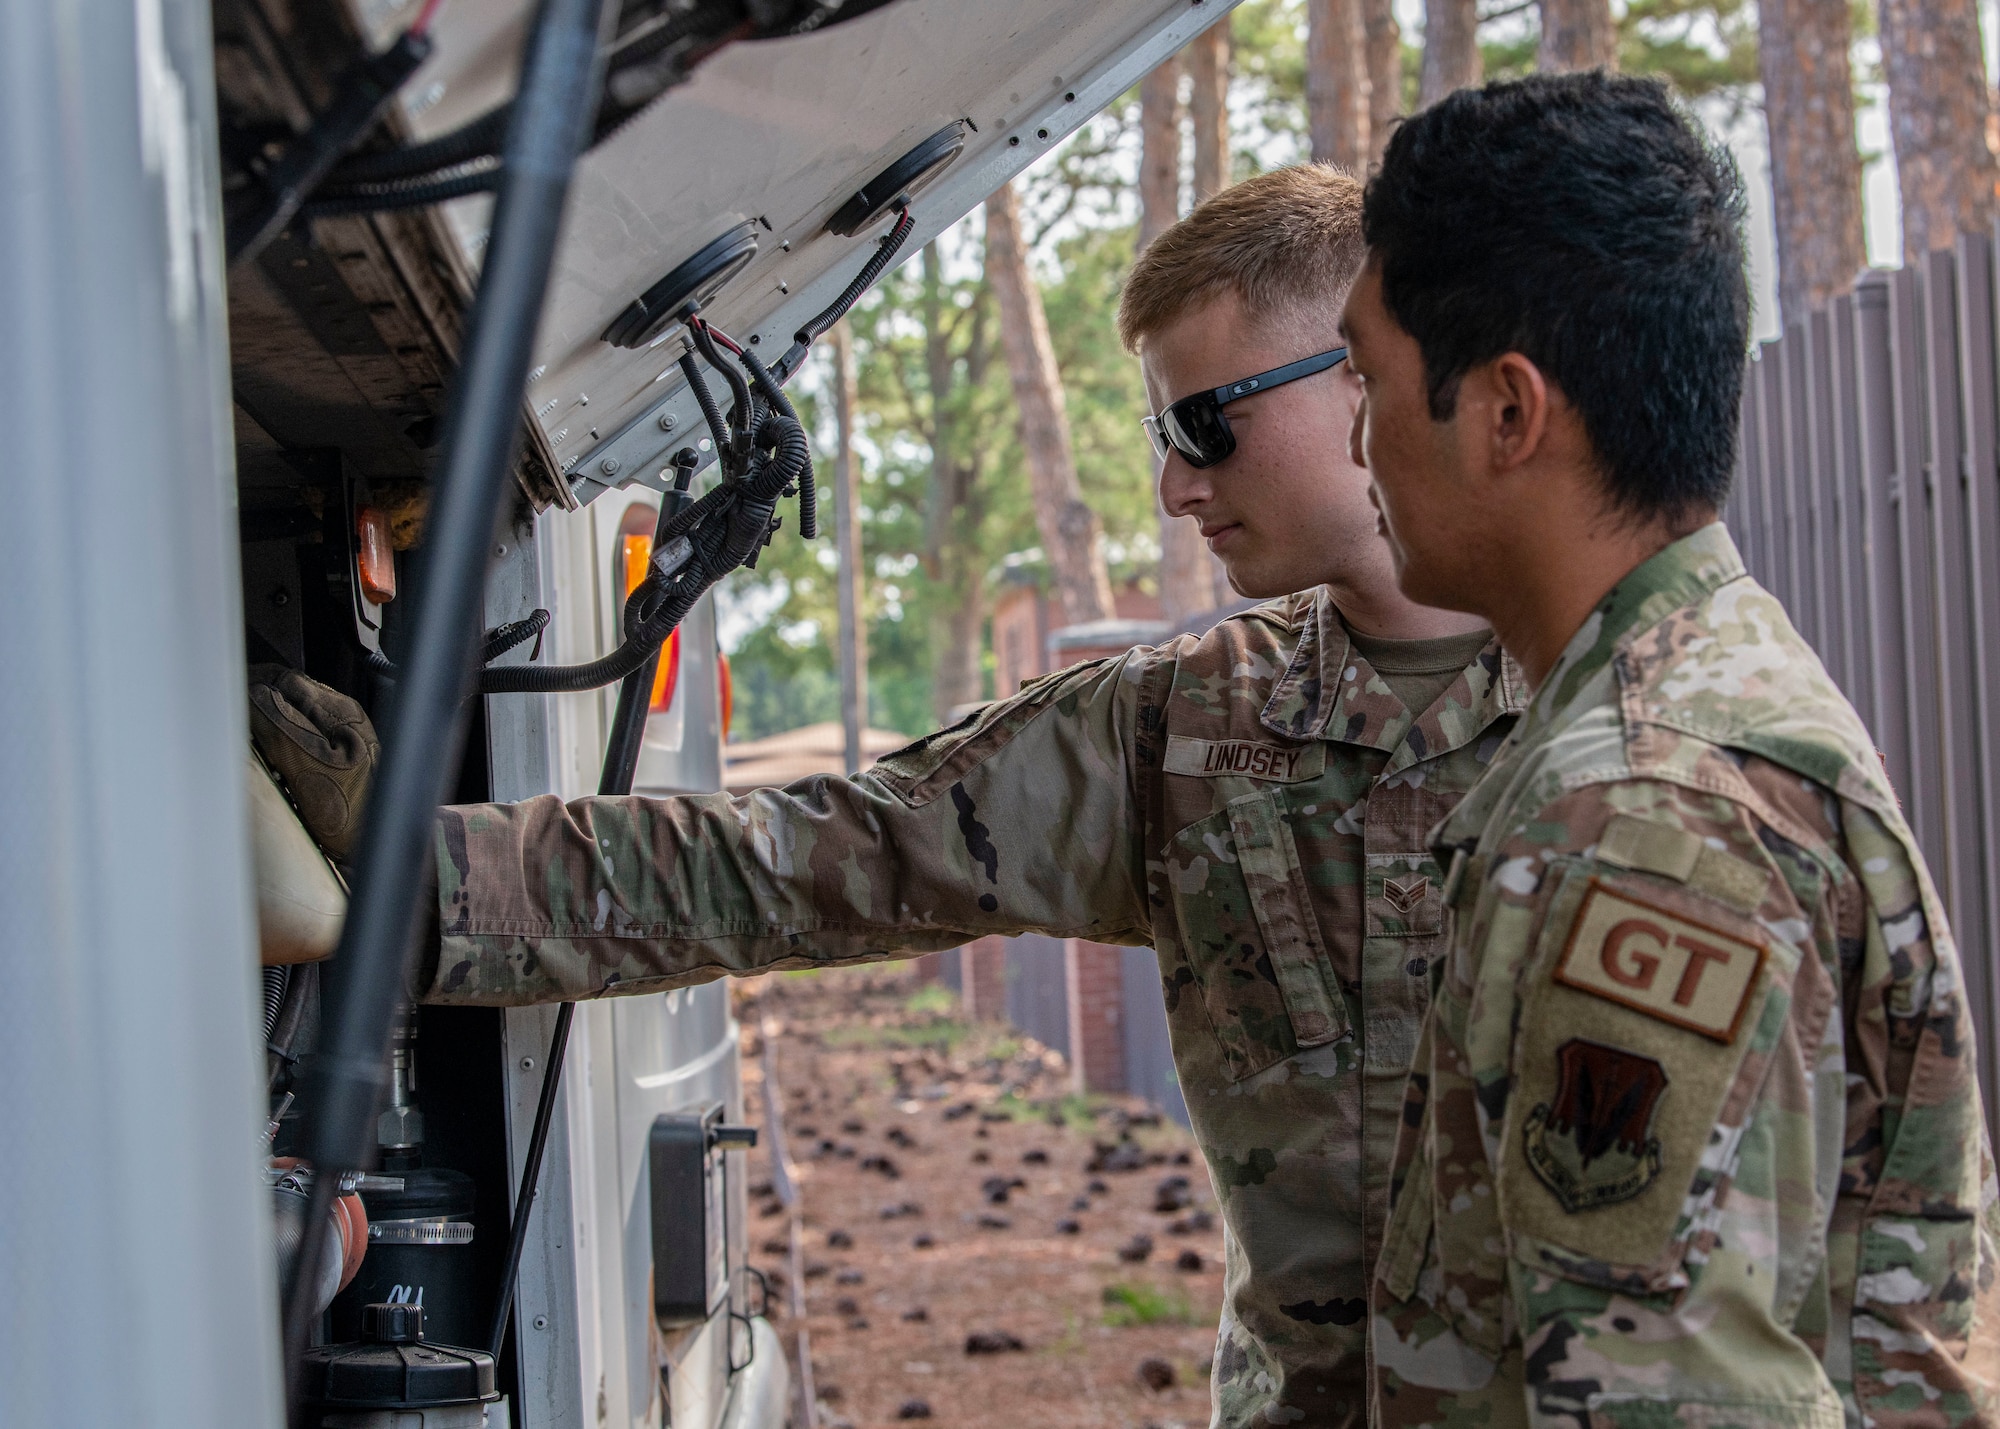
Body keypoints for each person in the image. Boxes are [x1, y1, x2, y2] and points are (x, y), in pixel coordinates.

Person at [302, 164, 1523, 1427]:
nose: (1175, 486)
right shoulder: (1183, 727)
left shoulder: (1656, 716)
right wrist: (402, 863)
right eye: (1162, 438)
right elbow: (800, 858)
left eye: (1203, 425)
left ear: (1360, 370)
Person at [1339, 71, 2000, 1429]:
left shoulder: (1643, 812)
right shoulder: (1690, 689)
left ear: (1509, 412)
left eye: (1370, 378)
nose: (1358, 437)